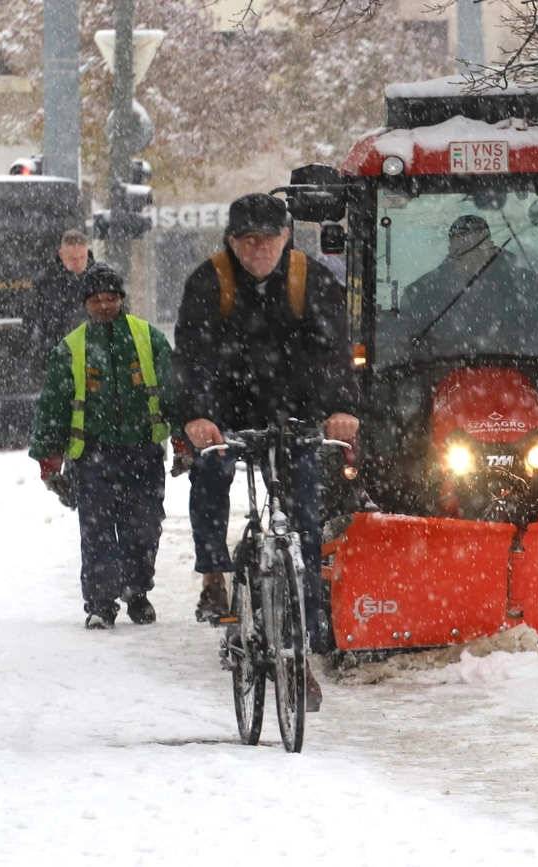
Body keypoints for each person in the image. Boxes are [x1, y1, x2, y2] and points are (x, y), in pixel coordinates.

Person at [173, 193, 358, 679]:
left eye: (269, 239)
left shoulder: (310, 280)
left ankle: (307, 631)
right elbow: (191, 357)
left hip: (294, 409)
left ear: (287, 238)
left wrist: (340, 407)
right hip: (226, 409)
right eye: (248, 240)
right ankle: (215, 573)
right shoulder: (208, 282)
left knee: (306, 513)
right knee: (210, 471)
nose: (259, 249)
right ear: (231, 242)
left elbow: (334, 351)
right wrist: (196, 416)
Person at [29, 263, 175, 629]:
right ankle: (100, 603)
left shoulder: (149, 339)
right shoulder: (71, 348)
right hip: (92, 456)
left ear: (122, 299)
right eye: (96, 299)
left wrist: (186, 441)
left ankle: (138, 593)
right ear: (85, 304)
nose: (104, 305)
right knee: (96, 532)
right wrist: (50, 463)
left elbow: (176, 392)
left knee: (143, 527)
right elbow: (54, 407)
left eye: (111, 298)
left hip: (143, 452)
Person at [401, 214, 538, 348]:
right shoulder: (421, 292)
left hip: (520, 368)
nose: (471, 253)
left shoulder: (526, 285)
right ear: (451, 250)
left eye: (477, 245)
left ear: (491, 245)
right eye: (464, 245)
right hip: (440, 373)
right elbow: (410, 346)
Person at [29, 229, 96, 369]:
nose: (79, 263)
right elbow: (38, 319)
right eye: (73, 258)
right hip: (58, 354)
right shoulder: (46, 282)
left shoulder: (100, 279)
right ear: (62, 255)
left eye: (82, 257)